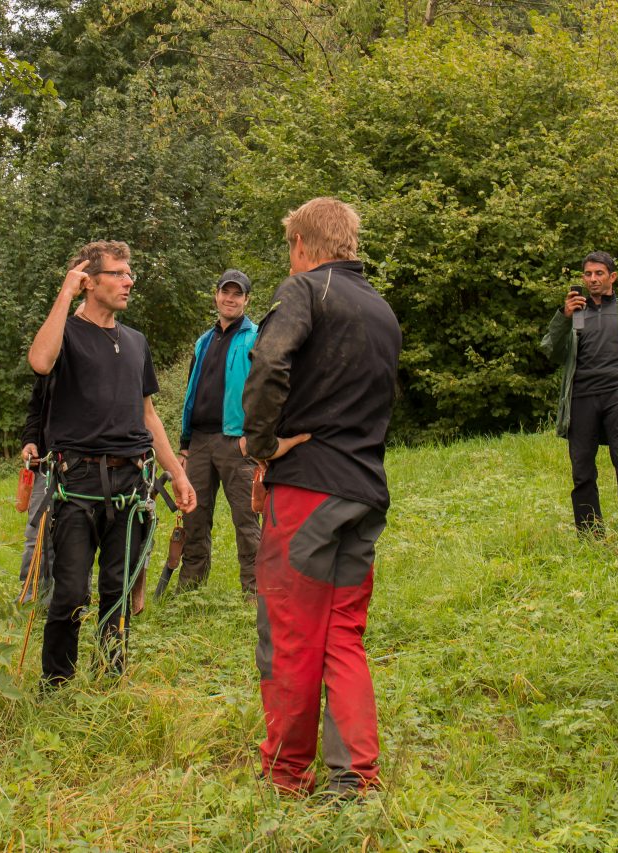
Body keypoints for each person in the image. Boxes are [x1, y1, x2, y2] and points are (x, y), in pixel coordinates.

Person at [243, 197, 401, 796]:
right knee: (342, 633)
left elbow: (269, 362)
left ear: (303, 246)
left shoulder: (306, 289)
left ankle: (285, 775)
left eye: (290, 249)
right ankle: (356, 776)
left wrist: (262, 446)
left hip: (308, 486)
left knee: (289, 630)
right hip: (364, 488)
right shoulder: (382, 309)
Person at [27, 240, 196, 685]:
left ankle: (111, 678)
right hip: (77, 483)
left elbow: (149, 416)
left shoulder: (136, 342)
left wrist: (178, 475)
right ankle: (56, 685)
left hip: (130, 484)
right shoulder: (66, 334)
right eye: (118, 273)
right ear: (89, 281)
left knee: (117, 592)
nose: (129, 280)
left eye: (129, 272)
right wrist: (64, 294)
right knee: (70, 593)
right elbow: (40, 362)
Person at [542, 251, 618, 540]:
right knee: (582, 471)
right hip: (581, 399)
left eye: (599, 274)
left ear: (612, 277)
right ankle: (590, 537)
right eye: (588, 274)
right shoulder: (574, 314)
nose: (592, 279)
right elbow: (550, 351)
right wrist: (562, 317)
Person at [177, 269, 261, 595]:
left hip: (236, 442)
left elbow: (266, 391)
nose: (230, 298)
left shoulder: (256, 337)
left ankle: (254, 593)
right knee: (194, 517)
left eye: (237, 293)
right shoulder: (203, 341)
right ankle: (191, 590)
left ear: (246, 299)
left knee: (246, 520)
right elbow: (190, 392)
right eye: (225, 292)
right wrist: (184, 444)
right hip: (198, 442)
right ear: (216, 295)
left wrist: (252, 435)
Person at [16, 375, 53, 602]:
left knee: (75, 536)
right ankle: (30, 595)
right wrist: (30, 441)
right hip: (45, 465)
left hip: (83, 469)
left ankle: (72, 601)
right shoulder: (48, 368)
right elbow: (36, 411)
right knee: (36, 533)